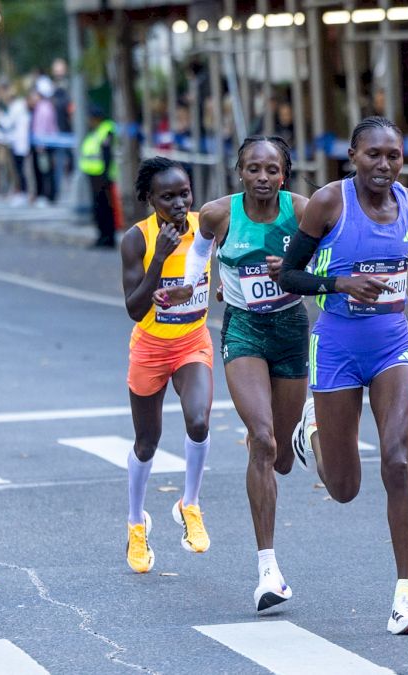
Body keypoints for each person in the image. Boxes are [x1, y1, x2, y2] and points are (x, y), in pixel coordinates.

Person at [276, 116, 408, 635]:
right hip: (337, 344)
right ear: (353, 157)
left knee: (398, 462)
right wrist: (338, 283)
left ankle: (405, 598)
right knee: (343, 488)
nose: (384, 165)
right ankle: (310, 430)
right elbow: (290, 273)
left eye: (393, 156)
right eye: (373, 155)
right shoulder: (328, 204)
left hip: (391, 343)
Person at [165, 136, 310, 611]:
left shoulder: (303, 211)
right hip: (244, 331)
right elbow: (199, 251)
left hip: (290, 329)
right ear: (240, 172)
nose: (262, 178)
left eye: (272, 169)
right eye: (253, 169)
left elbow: (330, 259)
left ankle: (300, 435)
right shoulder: (218, 214)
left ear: (284, 174)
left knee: (283, 457)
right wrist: (188, 286)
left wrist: (295, 271)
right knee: (262, 441)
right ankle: (268, 569)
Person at [119, 157, 215, 574]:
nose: (179, 203)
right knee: (147, 442)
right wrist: (159, 258)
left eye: (184, 194)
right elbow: (134, 310)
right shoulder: (136, 240)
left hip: (193, 341)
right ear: (149, 200)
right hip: (150, 349)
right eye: (168, 197)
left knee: (198, 421)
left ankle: (189, 504)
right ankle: (136, 523)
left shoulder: (206, 226)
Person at [81, 106, 119, 249]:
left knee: (105, 208)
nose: (89, 121)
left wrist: (105, 175)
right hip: (94, 175)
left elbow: (107, 154)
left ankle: (108, 238)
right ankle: (102, 236)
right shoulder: (96, 131)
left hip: (102, 176)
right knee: (98, 208)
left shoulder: (106, 130)